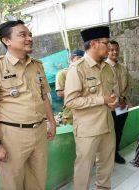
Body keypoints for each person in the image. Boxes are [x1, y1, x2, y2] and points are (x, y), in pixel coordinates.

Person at [0, 20, 56, 189]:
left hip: (39, 132)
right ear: (6, 41)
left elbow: (44, 96)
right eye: (22, 35)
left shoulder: (37, 66)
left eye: (30, 34)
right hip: (12, 135)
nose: (29, 38)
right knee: (11, 183)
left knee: (37, 180)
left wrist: (51, 122)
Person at [64, 26, 119, 190]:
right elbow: (71, 101)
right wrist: (101, 99)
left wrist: (114, 101)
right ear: (94, 44)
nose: (109, 47)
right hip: (88, 129)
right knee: (84, 168)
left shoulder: (108, 68)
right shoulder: (77, 68)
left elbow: (112, 94)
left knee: (107, 167)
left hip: (108, 126)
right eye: (106, 43)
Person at [106, 40, 131, 164]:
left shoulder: (123, 67)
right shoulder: (103, 68)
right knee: (109, 133)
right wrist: (116, 100)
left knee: (119, 131)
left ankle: (115, 153)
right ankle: (107, 156)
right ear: (107, 51)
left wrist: (122, 99)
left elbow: (128, 85)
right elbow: (105, 89)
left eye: (116, 49)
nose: (114, 52)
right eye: (111, 49)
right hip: (110, 107)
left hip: (122, 105)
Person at [55, 48, 84, 124]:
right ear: (71, 58)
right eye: (79, 58)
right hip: (71, 114)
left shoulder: (85, 74)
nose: (81, 61)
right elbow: (60, 93)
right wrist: (78, 90)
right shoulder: (63, 74)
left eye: (83, 59)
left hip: (85, 111)